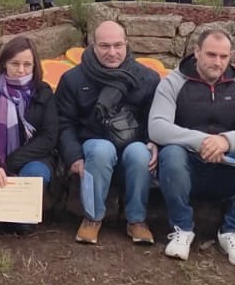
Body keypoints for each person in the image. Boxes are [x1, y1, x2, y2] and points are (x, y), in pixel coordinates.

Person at [148, 29, 235, 265]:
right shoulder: (173, 83)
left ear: (231, 56)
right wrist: (203, 141)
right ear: (197, 52)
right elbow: (157, 127)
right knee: (171, 152)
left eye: (223, 57)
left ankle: (232, 231)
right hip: (188, 168)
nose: (217, 62)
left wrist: (225, 141)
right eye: (211, 55)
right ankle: (182, 229)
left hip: (229, 167)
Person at [56, 20, 160, 245]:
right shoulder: (73, 79)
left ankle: (137, 220)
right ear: (93, 46)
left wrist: (153, 142)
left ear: (127, 44)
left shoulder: (148, 79)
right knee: (102, 149)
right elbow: (64, 122)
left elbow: (155, 119)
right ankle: (92, 217)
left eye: (117, 45)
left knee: (140, 152)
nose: (112, 52)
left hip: (132, 147)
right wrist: (73, 155)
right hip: (93, 148)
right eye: (104, 46)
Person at [0, 36, 59, 231]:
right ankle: (0, 217)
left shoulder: (43, 92)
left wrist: (10, 162)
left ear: (35, 66)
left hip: (31, 159)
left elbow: (49, 136)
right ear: (4, 63)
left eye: (27, 64)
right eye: (15, 63)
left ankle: (20, 216)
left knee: (36, 174)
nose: (21, 70)